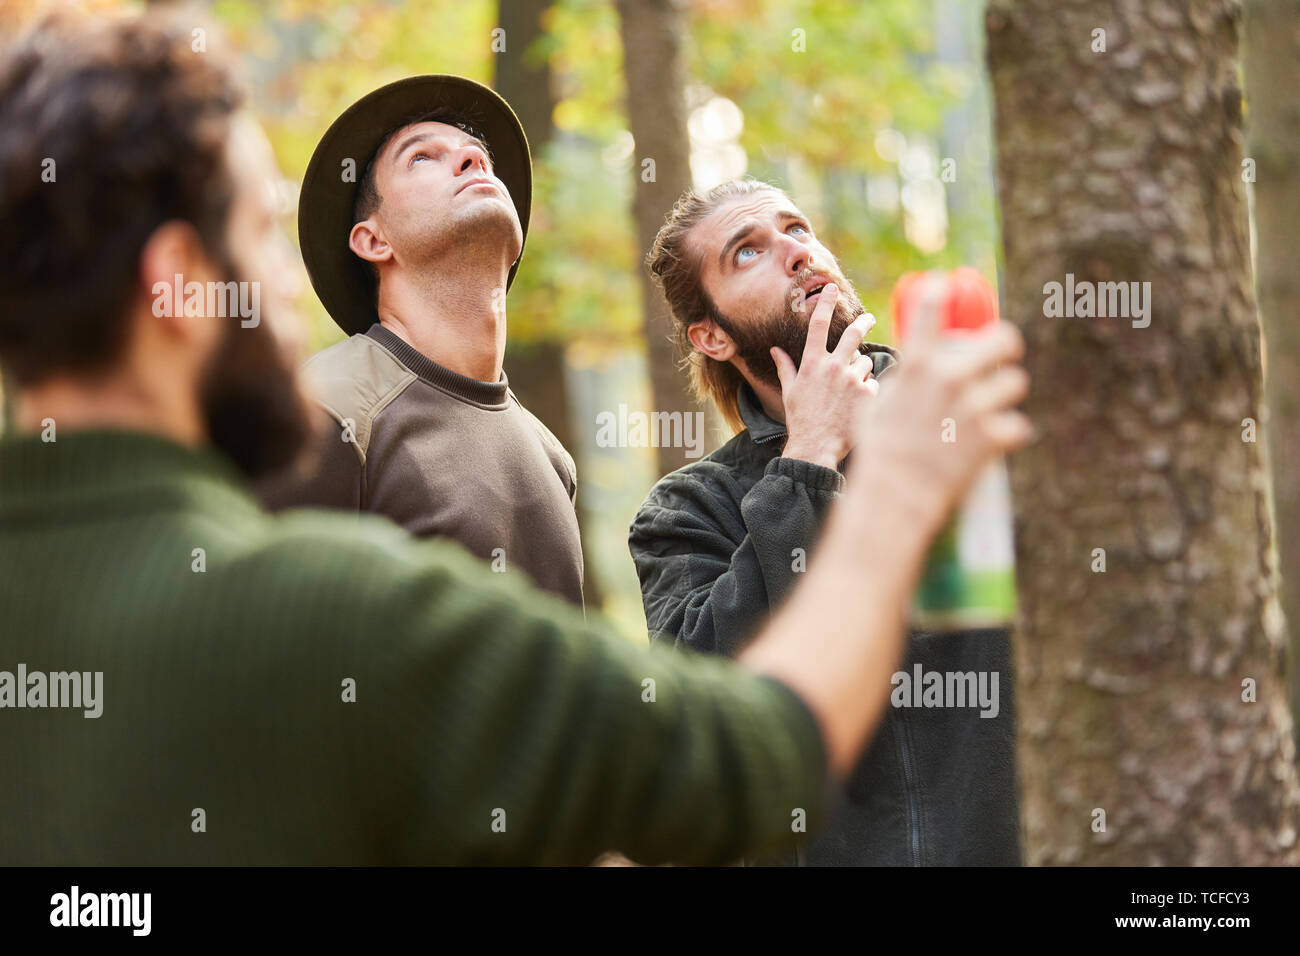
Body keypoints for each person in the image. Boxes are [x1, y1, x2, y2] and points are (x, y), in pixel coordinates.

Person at [0, 11, 1030, 865]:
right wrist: (868, 484)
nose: (284, 286)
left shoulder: (538, 455)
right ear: (174, 281)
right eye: (263, 234)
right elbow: (734, 756)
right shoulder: (337, 590)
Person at [630, 179, 1024, 865]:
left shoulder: (969, 419)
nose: (795, 253)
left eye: (798, 230)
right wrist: (806, 461)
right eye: (747, 252)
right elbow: (700, 708)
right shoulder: (687, 509)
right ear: (712, 336)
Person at [256, 74, 583, 605]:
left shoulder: (553, 459)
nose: (472, 161)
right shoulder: (326, 408)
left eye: (479, 156)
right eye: (422, 157)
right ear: (373, 239)